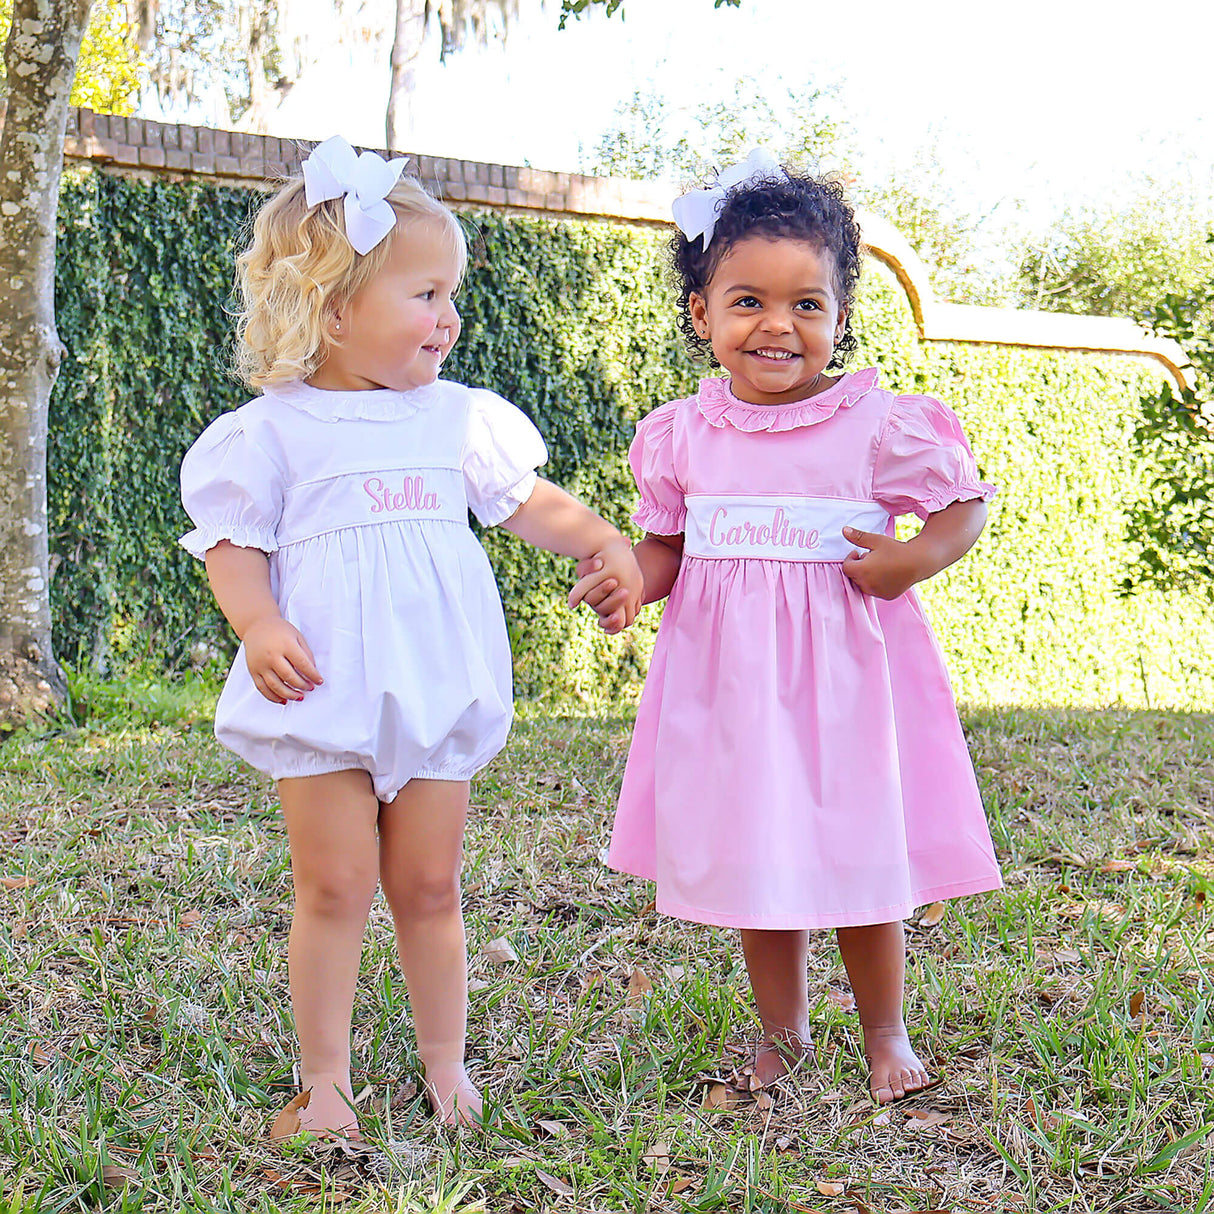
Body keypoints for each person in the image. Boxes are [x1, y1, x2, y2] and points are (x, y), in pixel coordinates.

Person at [179, 136, 641, 1135]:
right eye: (425, 294)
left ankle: (446, 1065)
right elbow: (231, 542)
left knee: (429, 885)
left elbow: (528, 504)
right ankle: (327, 1080)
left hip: (434, 692)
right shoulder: (271, 431)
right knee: (334, 884)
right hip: (323, 694)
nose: (450, 317)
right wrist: (256, 621)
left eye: (450, 295)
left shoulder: (456, 420)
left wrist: (602, 539)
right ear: (334, 306)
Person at [601, 149, 1003, 1104]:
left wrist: (914, 557)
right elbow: (668, 548)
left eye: (806, 304)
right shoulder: (682, 436)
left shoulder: (876, 426)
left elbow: (964, 505)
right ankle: (780, 1035)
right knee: (757, 857)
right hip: (731, 688)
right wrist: (630, 579)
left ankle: (885, 1032)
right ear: (701, 314)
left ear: (838, 316)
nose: (777, 324)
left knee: (861, 858)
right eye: (746, 301)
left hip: (848, 686)